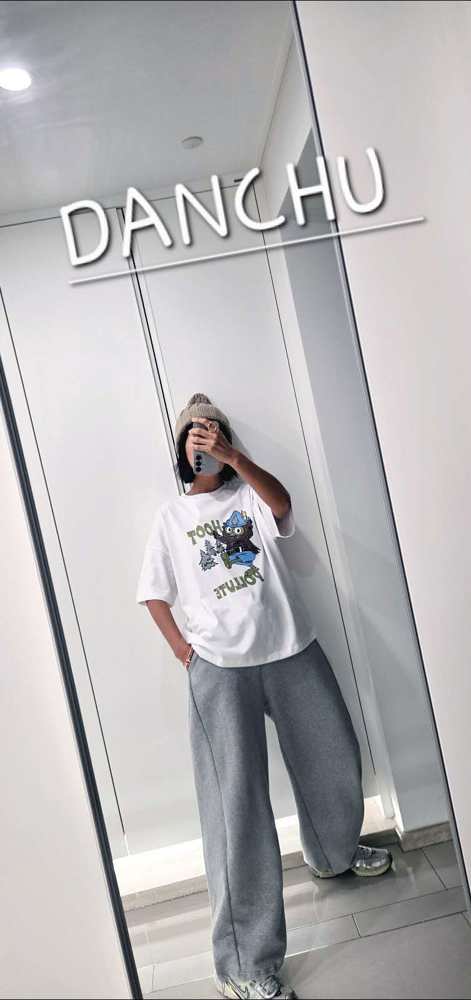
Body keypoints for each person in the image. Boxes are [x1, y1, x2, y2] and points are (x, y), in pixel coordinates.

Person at [136, 393, 392, 1000]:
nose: (205, 438)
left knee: (333, 756)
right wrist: (182, 650)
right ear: (182, 449)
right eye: (195, 434)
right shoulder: (171, 517)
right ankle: (244, 965)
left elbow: (281, 505)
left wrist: (235, 458)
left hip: (291, 647)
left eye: (214, 430)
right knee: (237, 809)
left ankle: (332, 854)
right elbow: (153, 593)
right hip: (220, 669)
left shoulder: (248, 492)